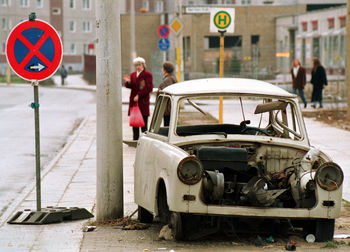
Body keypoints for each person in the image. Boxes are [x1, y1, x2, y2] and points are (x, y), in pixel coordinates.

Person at [123, 57, 153, 140]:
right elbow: (131, 86)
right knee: (134, 123)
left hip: (143, 102)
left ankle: (144, 141)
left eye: (139, 65)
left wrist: (139, 95)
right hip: (134, 102)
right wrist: (128, 82)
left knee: (143, 123)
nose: (138, 67)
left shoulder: (147, 74)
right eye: (136, 65)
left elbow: (148, 88)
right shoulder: (133, 74)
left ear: (143, 65)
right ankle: (135, 140)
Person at [158, 61, 177, 126]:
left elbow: (166, 92)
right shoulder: (172, 77)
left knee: (167, 126)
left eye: (163, 68)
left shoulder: (168, 80)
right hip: (171, 107)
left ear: (165, 70)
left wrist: (158, 91)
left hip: (167, 109)